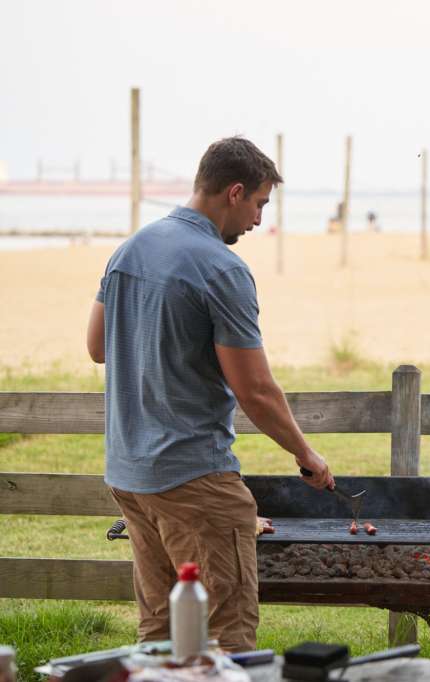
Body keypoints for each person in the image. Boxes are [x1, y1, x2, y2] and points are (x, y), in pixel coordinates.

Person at [86, 136, 335, 652]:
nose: (259, 221)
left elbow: (97, 346)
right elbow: (256, 390)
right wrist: (305, 454)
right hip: (193, 475)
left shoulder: (129, 249)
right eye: (260, 205)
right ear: (235, 192)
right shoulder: (222, 269)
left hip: (132, 477)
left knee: (159, 634)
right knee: (227, 636)